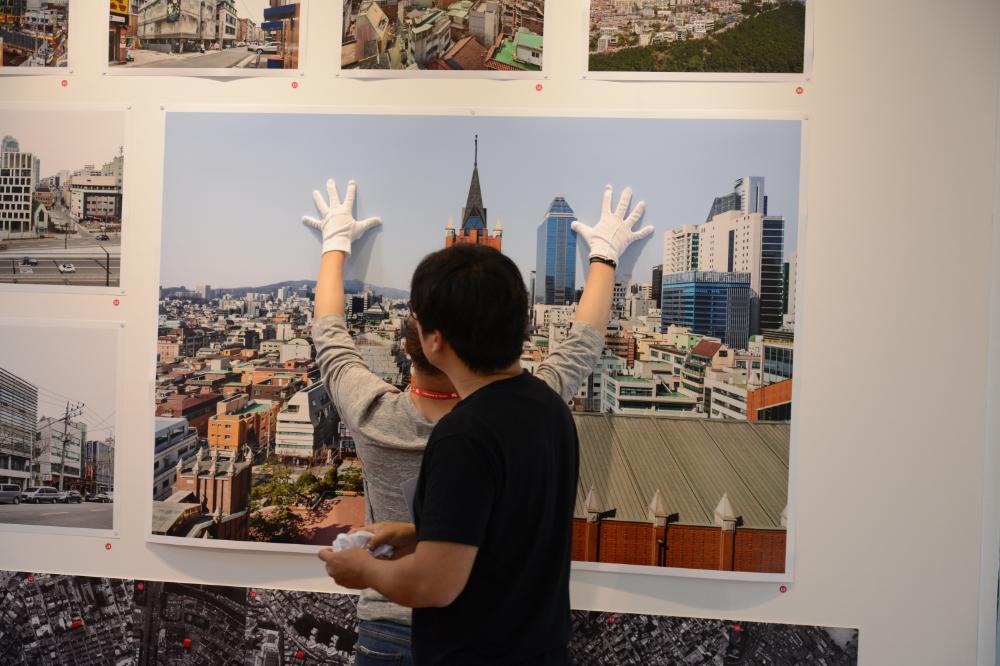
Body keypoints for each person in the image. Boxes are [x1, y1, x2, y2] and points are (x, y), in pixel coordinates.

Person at [308, 179, 651, 664]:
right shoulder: (545, 405)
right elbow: (584, 342)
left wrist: (335, 245)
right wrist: (604, 254)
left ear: (432, 342)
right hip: (534, 641)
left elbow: (331, 341)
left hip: (433, 637)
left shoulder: (417, 426)